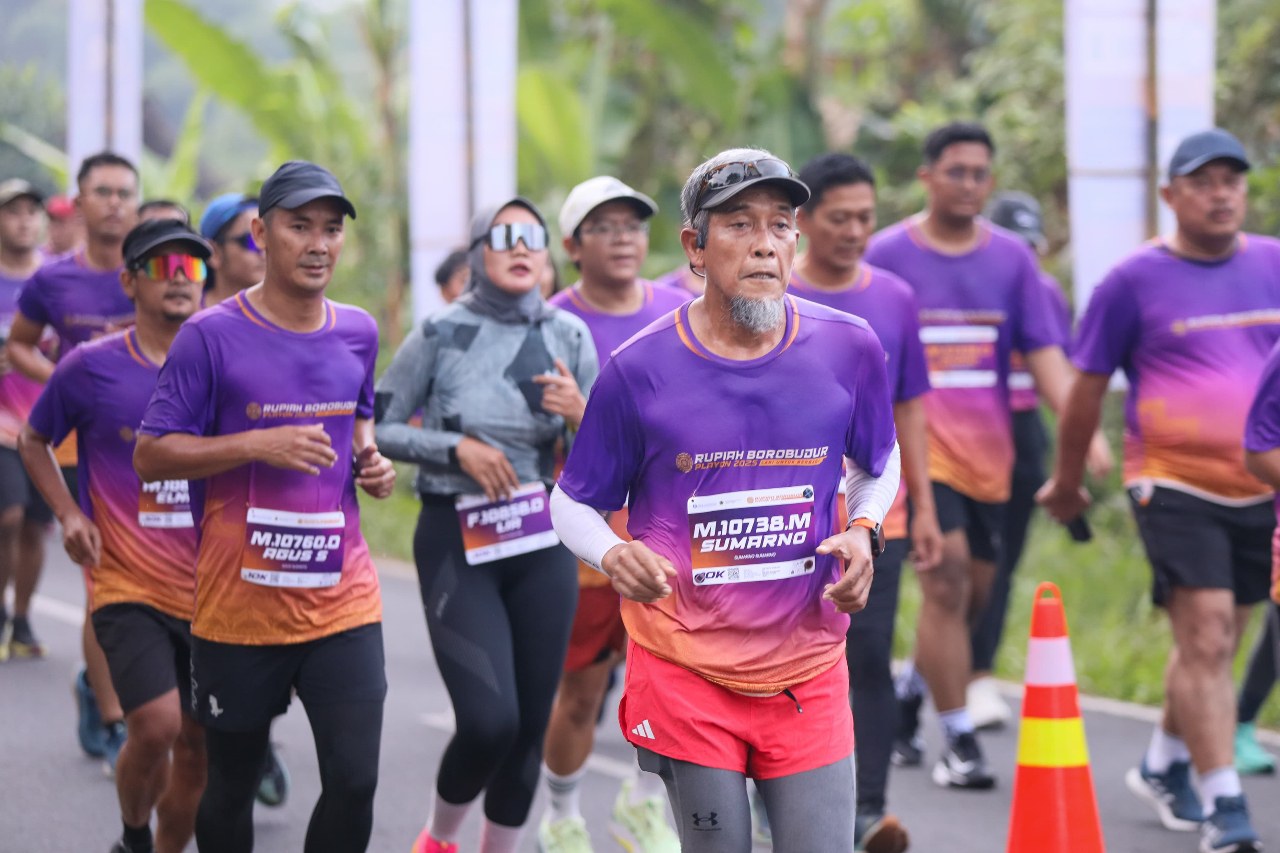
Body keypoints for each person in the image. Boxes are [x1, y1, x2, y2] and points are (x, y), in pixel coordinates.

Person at [551, 147, 901, 852]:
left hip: (808, 666)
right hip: (685, 667)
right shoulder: (640, 368)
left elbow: (877, 460)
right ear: (695, 247)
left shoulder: (849, 347)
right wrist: (613, 553)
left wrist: (864, 527)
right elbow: (573, 502)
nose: (765, 242)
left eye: (780, 224)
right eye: (739, 223)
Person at [134, 160, 395, 853]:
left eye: (331, 229)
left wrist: (371, 460)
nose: (318, 244)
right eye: (299, 226)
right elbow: (151, 453)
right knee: (231, 782)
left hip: (342, 597)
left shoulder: (358, 330)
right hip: (240, 604)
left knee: (355, 780)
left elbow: (358, 416)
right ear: (259, 233)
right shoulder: (209, 336)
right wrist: (258, 444)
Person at [1039, 128, 1280, 853]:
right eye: (1203, 182)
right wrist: (1069, 481)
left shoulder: (1273, 262)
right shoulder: (1131, 281)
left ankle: (1164, 761)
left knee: (1219, 638)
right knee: (1206, 632)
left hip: (1263, 482)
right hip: (1172, 479)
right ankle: (1225, 805)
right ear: (1171, 194)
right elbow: (1085, 392)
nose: (1220, 195)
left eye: (1231, 181)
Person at [863, 122, 1089, 790]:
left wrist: (1084, 434)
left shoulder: (1012, 261)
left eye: (979, 174)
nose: (968, 184)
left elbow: (1046, 356)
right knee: (948, 577)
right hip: (916, 450)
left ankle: (911, 691)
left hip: (992, 456)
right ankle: (958, 741)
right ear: (927, 176)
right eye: (955, 171)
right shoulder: (885, 255)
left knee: (975, 596)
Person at [376, 196, 597, 853]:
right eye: (503, 237)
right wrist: (456, 449)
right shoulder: (440, 331)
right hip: (455, 536)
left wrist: (580, 412)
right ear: (476, 254)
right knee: (488, 721)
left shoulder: (569, 335)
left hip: (540, 539)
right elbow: (380, 426)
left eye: (533, 236)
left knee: (529, 727)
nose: (521, 247)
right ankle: (439, 840)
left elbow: (607, 452)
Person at [19, 218, 210, 853]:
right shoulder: (91, 366)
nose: (180, 279)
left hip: (215, 590)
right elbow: (34, 438)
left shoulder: (227, 364)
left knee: (198, 749)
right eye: (163, 266)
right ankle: (133, 834)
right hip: (128, 583)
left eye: (192, 267)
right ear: (129, 282)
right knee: (155, 726)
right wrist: (69, 514)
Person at [789, 152, 941, 852]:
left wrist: (924, 507)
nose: (855, 231)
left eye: (866, 218)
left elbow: (909, 410)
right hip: (784, 513)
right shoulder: (771, 291)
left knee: (870, 651)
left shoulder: (895, 298)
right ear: (804, 220)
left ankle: (866, 812)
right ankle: (778, 796)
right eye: (840, 218)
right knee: (788, 654)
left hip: (877, 511)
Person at [538, 176, 685, 853]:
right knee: (581, 691)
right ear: (573, 246)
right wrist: (578, 419)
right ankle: (561, 815)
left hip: (671, 536)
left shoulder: (680, 312)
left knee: (671, 686)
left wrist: (589, 410)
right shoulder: (547, 324)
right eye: (604, 227)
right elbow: (531, 437)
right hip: (590, 543)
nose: (623, 238)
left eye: (632, 226)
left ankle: (641, 806)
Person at [8, 151, 140, 769]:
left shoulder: (161, 275)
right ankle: (112, 716)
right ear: (81, 203)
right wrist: (66, 383)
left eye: (125, 193)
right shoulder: (53, 281)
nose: (114, 203)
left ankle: (102, 686)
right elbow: (20, 346)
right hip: (79, 449)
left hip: (159, 450)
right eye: (102, 192)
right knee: (104, 581)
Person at [965, 191, 1076, 729]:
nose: (1026, 259)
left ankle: (977, 674)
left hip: (1024, 430)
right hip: (965, 426)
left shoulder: (1046, 292)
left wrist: (1081, 445)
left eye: (1033, 248)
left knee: (1001, 560)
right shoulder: (968, 283)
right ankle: (933, 671)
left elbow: (1063, 369)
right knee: (956, 566)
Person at [197, 191, 290, 807]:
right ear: (214, 252)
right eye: (246, 239)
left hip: (273, 527)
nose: (261, 250)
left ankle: (257, 738)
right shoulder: (194, 329)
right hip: (189, 528)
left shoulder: (296, 324)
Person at [0, 179, 53, 660]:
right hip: (0, 428)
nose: (23, 220)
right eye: (12, 211)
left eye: (30, 211)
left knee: (36, 525)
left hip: (49, 425)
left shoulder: (56, 278)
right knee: (9, 516)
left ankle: (20, 618)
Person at [199, 194, 267, 307]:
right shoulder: (186, 312)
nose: (264, 252)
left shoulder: (288, 310)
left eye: (267, 239)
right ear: (214, 253)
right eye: (251, 241)